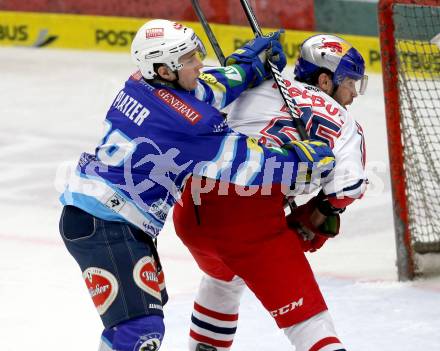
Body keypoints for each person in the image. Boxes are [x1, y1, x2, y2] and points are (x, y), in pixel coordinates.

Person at [57, 19, 336, 351]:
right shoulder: (190, 124)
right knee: (139, 332)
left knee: (140, 326)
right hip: (108, 225)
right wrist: (300, 161)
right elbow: (249, 165)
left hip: (102, 218)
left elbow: (206, 87)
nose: (199, 63)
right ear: (164, 69)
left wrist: (247, 67)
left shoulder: (140, 83)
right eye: (189, 59)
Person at [173, 34, 368, 351]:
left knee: (224, 276)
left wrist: (242, 69)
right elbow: (348, 187)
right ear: (324, 79)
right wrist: (321, 210)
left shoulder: (260, 85)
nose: (353, 94)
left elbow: (193, 98)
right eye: (350, 83)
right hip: (249, 218)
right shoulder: (346, 124)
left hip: (191, 203)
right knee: (310, 324)